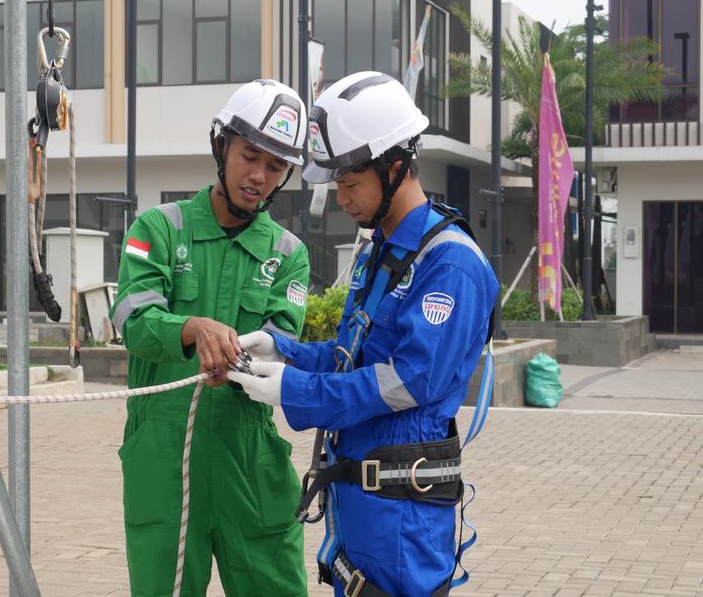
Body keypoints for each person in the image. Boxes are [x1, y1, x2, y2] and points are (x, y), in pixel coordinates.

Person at [229, 71, 499, 597]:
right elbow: (351, 356)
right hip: (362, 501)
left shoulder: (450, 265)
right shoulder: (382, 252)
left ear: (394, 169)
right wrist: (283, 352)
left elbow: (410, 380)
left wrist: (295, 389)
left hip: (402, 516)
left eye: (350, 185)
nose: (341, 200)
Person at [109, 79, 310, 597]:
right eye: (250, 156)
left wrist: (247, 363)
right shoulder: (158, 229)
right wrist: (192, 328)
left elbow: (283, 341)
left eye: (276, 167)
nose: (259, 176)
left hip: (250, 459)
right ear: (221, 146)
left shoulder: (288, 254)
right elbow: (133, 318)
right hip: (164, 458)